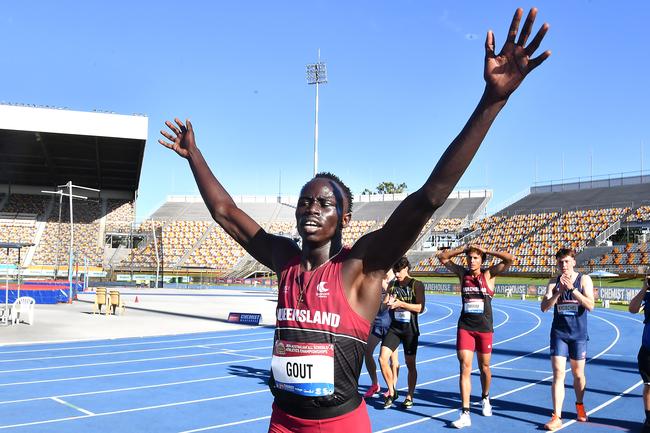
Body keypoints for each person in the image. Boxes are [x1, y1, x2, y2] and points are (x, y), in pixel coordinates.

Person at [159, 8, 551, 432]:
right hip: (282, 422)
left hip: (339, 425)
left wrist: (492, 101)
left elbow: (429, 197)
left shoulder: (361, 266)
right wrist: (194, 156)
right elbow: (226, 213)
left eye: (324, 203)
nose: (311, 208)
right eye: (304, 201)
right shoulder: (283, 259)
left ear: (345, 217)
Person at [437, 244, 514, 428]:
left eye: (476, 258)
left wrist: (487, 250)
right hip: (465, 327)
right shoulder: (463, 274)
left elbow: (509, 259)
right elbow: (443, 257)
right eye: (470, 257)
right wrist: (463, 248)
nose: (472, 261)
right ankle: (465, 413)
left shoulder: (488, 275)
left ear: (482, 260)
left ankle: (485, 397)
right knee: (465, 367)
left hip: (484, 328)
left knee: (485, 367)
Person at [540, 248, 594, 431]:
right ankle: (556, 416)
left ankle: (579, 404)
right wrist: (557, 292)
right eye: (560, 262)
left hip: (578, 335)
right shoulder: (553, 282)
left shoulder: (584, 279)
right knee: (558, 374)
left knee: (578, 375)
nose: (563, 265)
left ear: (573, 262)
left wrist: (572, 290)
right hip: (559, 334)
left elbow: (591, 306)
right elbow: (544, 307)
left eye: (567, 261)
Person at [379, 257, 425, 409]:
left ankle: (410, 395)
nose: (396, 274)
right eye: (395, 271)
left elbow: (420, 308)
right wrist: (388, 303)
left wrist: (401, 304)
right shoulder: (392, 284)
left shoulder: (417, 285)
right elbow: (384, 305)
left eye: (399, 271)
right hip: (395, 328)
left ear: (406, 269)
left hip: (410, 330)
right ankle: (392, 392)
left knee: (410, 364)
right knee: (382, 359)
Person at [363, 269, 400, 399]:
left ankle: (392, 387)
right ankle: (374, 384)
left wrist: (385, 284)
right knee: (367, 352)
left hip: (391, 327)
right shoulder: (372, 282)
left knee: (393, 360)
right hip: (376, 326)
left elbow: (387, 304)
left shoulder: (393, 283)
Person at [628, 276, 650, 433]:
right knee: (649, 386)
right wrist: (644, 289)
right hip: (648, 348)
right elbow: (632, 309)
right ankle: (649, 420)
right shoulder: (647, 295)